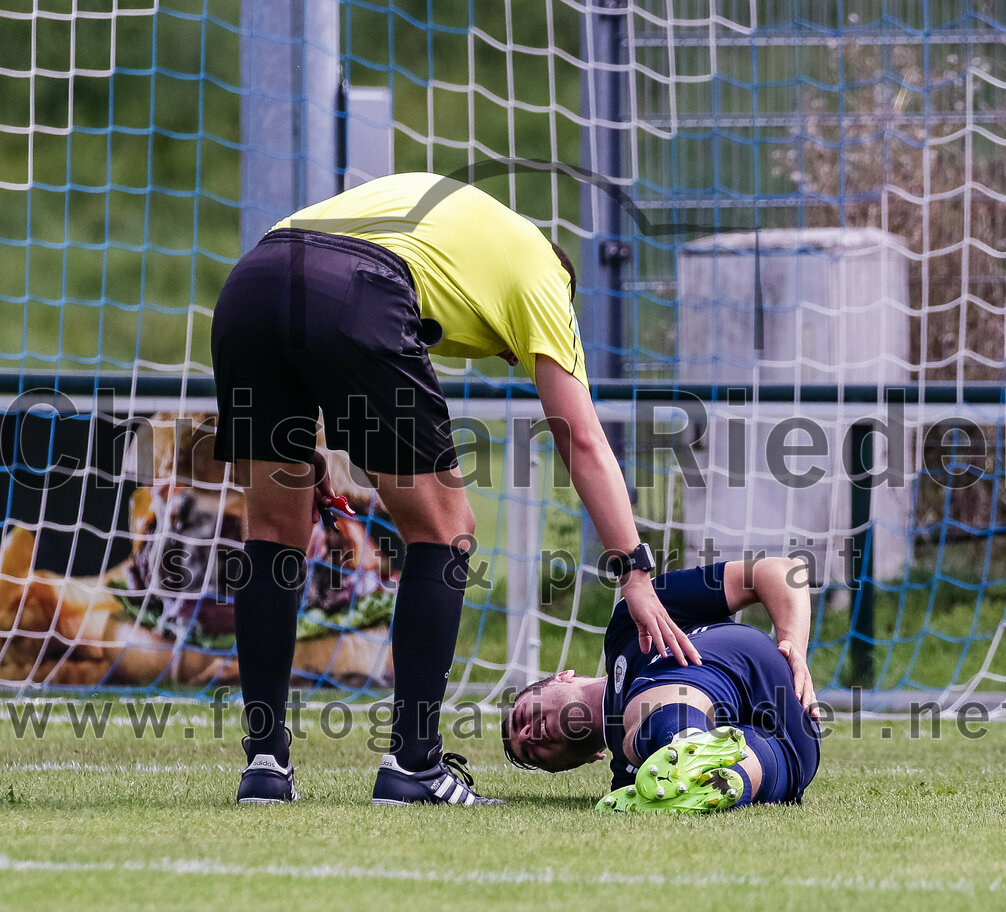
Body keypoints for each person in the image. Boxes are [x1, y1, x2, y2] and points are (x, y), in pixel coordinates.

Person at [211, 172, 699, 806]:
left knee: (273, 528)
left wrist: (310, 450)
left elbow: (304, 291)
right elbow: (580, 437)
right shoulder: (545, 279)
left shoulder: (460, 231)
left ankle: (265, 765)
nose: (507, 359)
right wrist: (634, 569)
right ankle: (414, 764)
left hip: (251, 283)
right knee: (445, 529)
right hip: (361, 290)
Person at [502, 556, 821, 813]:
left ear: (562, 676)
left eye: (521, 718)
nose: (529, 735)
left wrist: (794, 648)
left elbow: (780, 571)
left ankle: (686, 741)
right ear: (584, 761)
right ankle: (722, 780)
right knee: (734, 772)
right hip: (795, 746)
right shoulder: (629, 781)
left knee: (640, 726)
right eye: (534, 756)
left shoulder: (629, 622)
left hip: (752, 668)